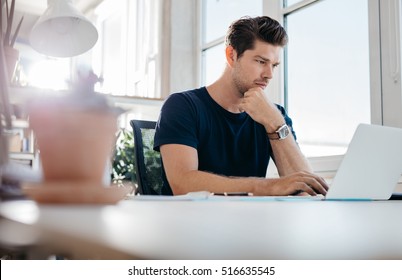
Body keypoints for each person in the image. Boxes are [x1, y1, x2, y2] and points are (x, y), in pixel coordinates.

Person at [154, 16, 329, 196]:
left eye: (274, 65)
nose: (269, 74)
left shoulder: (273, 115)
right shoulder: (182, 106)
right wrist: (264, 186)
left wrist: (276, 123)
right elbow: (182, 183)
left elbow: (307, 188)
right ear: (232, 55)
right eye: (261, 61)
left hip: (250, 221)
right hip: (189, 221)